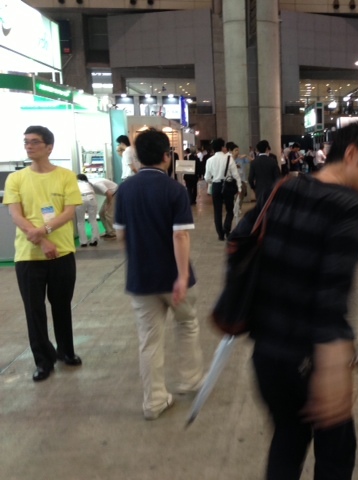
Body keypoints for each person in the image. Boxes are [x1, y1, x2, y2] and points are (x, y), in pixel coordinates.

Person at [234, 121, 358, 479]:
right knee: (337, 455)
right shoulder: (349, 206)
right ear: (352, 154)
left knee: (287, 441)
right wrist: (334, 365)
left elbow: (241, 238)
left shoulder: (284, 187)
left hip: (267, 353)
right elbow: (332, 295)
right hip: (310, 360)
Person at [114, 128, 204, 420]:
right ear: (167, 157)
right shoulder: (175, 190)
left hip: (141, 279)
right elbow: (180, 236)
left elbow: (121, 236)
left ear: (137, 157)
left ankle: (153, 401)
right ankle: (191, 380)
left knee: (149, 339)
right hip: (173, 277)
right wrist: (182, 276)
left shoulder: (125, 190)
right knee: (187, 325)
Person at [3, 126, 83, 382]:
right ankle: (43, 360)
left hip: (62, 252)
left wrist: (44, 231)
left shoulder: (65, 176)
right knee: (34, 310)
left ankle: (66, 351)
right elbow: (15, 214)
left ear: (49, 147)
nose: (29, 146)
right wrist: (40, 239)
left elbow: (68, 212)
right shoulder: (16, 179)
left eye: (35, 142)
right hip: (28, 256)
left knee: (61, 305)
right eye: (26, 142)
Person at [204, 138, 242, 240]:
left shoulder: (209, 160)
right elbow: (236, 175)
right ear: (222, 147)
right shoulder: (229, 158)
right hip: (227, 186)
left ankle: (220, 234)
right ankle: (227, 229)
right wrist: (239, 187)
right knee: (230, 209)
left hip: (216, 186)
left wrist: (213, 181)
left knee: (217, 211)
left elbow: (207, 178)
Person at [248, 139, 281, 205]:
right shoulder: (272, 161)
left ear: (257, 150)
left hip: (259, 189)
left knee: (261, 207)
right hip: (271, 188)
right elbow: (278, 177)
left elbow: (250, 178)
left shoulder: (254, 162)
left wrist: (253, 187)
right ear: (267, 148)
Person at [75, 174, 100, 247]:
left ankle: (83, 242)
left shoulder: (75, 183)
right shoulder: (89, 183)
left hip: (80, 198)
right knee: (93, 220)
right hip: (92, 198)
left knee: (80, 221)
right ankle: (95, 239)